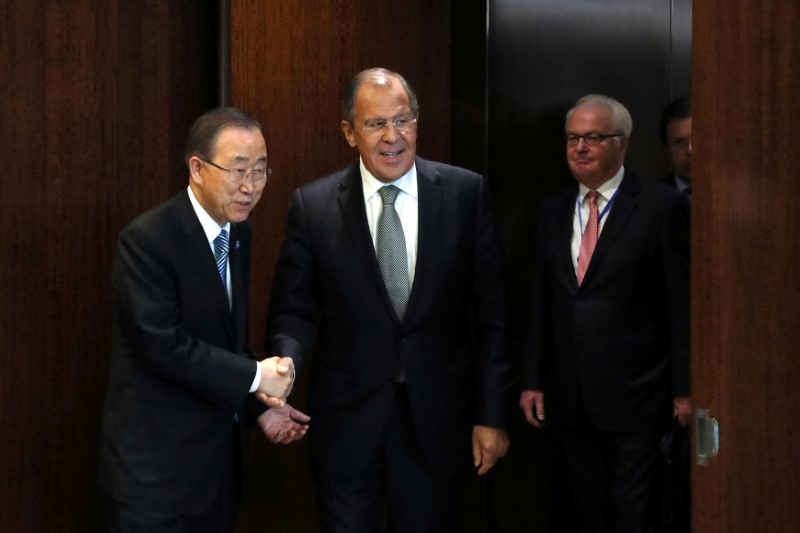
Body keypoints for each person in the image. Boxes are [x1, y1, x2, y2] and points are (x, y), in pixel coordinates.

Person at [265, 67, 513, 532]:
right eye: (375, 124)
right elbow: (293, 311)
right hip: (347, 424)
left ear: (417, 121)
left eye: (403, 120)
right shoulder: (313, 207)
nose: (392, 137)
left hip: (438, 422)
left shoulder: (464, 193)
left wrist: (492, 414)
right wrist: (285, 363)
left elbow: (494, 316)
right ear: (349, 132)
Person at [97, 107, 309, 532]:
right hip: (156, 482)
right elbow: (164, 348)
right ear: (197, 168)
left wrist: (258, 409)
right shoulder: (148, 240)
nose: (250, 187)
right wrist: (256, 376)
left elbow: (222, 342)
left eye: (261, 171)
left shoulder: (238, 233)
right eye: (238, 171)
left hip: (215, 479)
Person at [519, 95, 690, 532]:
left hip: (640, 396)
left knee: (634, 517)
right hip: (571, 398)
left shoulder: (661, 206)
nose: (580, 147)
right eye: (573, 137)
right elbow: (542, 300)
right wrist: (533, 379)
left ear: (623, 144)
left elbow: (679, 303)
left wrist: (685, 389)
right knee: (587, 514)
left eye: (594, 137)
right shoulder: (552, 209)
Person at [660, 97, 692, 197]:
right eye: (678, 142)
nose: (690, 150)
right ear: (667, 149)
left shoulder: (735, 193)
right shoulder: (651, 200)